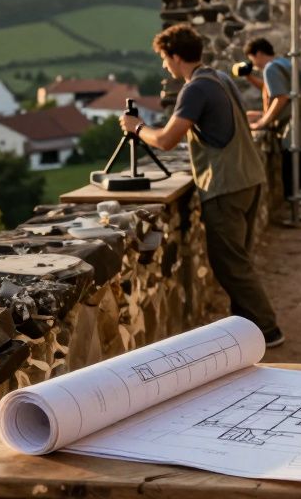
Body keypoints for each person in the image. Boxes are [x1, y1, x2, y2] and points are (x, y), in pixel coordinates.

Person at [121, 24, 284, 347]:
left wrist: (136, 127)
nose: (164, 66)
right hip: (250, 176)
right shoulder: (219, 78)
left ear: (176, 56)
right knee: (240, 260)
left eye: (164, 59)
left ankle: (268, 330)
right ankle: (247, 327)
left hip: (225, 184)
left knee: (230, 265)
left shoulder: (195, 88)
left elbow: (167, 140)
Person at [243, 38, 301, 221]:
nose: (254, 65)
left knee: (293, 171)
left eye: (253, 60)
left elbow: (280, 97)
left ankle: (297, 210)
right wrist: (249, 78)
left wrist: (263, 122)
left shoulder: (271, 68)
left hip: (295, 127)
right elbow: (271, 90)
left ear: (259, 53)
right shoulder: (285, 64)